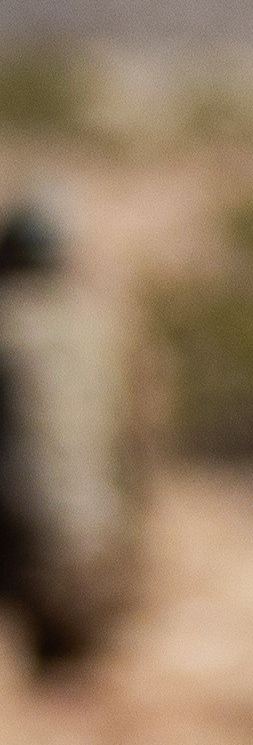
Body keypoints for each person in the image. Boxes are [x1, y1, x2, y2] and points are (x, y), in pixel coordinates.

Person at [0, 191, 148, 680]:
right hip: (99, 543)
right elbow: (138, 442)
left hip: (24, 547)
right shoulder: (107, 323)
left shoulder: (10, 322)